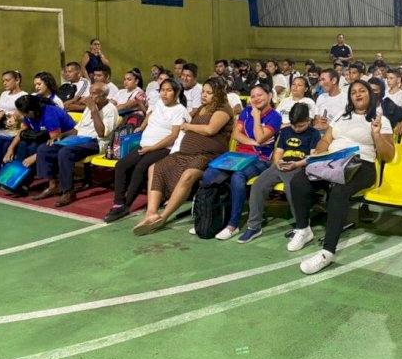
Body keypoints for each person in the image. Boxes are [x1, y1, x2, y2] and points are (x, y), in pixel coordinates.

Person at [289, 81, 394, 274]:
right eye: (353, 92)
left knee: (339, 189)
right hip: (333, 161)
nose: (358, 94)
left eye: (362, 91)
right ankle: (304, 229)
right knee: (298, 180)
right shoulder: (341, 116)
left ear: (370, 95)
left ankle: (327, 251)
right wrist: (319, 155)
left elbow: (388, 155)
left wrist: (377, 135)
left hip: (362, 165)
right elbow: (326, 140)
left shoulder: (380, 120)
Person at [132, 78, 233, 235]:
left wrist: (187, 126)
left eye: (209, 93)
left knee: (188, 175)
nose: (204, 95)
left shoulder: (223, 109)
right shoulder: (202, 108)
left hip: (208, 156)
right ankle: (151, 212)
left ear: (218, 94)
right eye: (203, 92)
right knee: (156, 167)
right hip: (186, 153)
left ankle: (163, 217)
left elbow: (210, 130)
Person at [199, 83, 281, 240]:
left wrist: (257, 118)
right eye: (253, 96)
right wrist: (254, 143)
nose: (256, 99)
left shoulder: (274, 116)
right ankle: (210, 218)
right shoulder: (246, 112)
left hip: (261, 158)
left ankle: (233, 224)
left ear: (269, 96)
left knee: (238, 176)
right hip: (239, 155)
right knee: (210, 174)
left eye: (260, 95)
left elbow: (261, 137)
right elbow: (236, 134)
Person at [103, 78, 190, 223]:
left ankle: (126, 204)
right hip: (145, 145)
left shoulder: (179, 110)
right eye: (162, 90)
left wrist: (152, 148)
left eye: (169, 90)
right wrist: (141, 129)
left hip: (164, 148)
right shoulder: (158, 104)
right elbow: (149, 117)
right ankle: (118, 202)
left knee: (141, 167)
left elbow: (173, 136)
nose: (164, 94)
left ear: (176, 93)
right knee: (121, 165)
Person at [238, 103, 319, 243]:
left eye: (300, 126)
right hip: (281, 165)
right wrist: (278, 162)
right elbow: (279, 151)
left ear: (308, 121)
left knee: (291, 188)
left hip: (299, 167)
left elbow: (312, 157)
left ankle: (302, 226)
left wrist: (296, 164)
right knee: (258, 186)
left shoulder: (314, 133)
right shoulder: (286, 131)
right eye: (294, 125)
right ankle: (254, 226)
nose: (296, 129)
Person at [33, 83, 118, 207]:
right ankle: (53, 185)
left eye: (94, 93)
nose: (90, 96)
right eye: (90, 92)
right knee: (45, 149)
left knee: (65, 152)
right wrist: (61, 135)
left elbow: (102, 133)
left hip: (96, 142)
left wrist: (94, 110)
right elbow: (78, 129)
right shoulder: (89, 108)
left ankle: (68, 191)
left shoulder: (110, 109)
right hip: (78, 139)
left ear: (104, 95)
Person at [0, 95, 75, 183]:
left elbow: (54, 141)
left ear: (30, 112)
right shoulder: (30, 113)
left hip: (65, 138)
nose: (20, 115)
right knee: (22, 144)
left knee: (34, 148)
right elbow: (22, 132)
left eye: (22, 113)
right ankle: (11, 180)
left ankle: (23, 183)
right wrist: (10, 149)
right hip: (44, 136)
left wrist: (34, 157)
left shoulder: (50, 115)